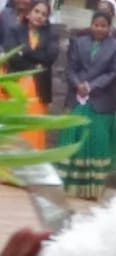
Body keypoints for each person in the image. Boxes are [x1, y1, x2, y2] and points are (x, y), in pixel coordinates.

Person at [59, 7, 116, 200]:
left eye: (103, 26)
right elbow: (71, 68)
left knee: (96, 142)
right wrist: (78, 84)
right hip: (78, 98)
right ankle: (70, 186)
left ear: (109, 27)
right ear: (90, 25)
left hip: (101, 101)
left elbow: (115, 72)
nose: (99, 29)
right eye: (95, 25)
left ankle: (91, 190)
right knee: (73, 140)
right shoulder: (79, 42)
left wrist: (91, 85)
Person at [8, 0, 58, 149]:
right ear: (29, 12)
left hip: (39, 91)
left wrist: (25, 52)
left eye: (44, 14)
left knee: (32, 131)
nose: (40, 16)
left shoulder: (52, 36)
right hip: (15, 88)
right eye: (37, 11)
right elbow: (13, 58)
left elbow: (49, 57)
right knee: (13, 130)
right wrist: (34, 65)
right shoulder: (15, 30)